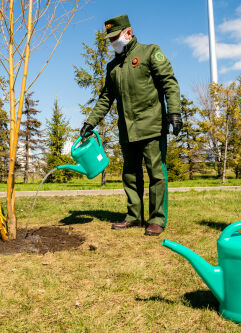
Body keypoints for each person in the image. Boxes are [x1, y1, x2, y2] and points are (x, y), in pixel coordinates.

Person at [80, 14, 182, 236]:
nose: (112, 43)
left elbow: (169, 83)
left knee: (156, 174)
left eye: (115, 37)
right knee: (131, 175)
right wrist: (90, 121)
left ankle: (157, 219)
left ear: (128, 32)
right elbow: (106, 98)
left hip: (152, 126)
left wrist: (174, 111)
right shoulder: (113, 66)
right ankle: (134, 216)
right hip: (127, 130)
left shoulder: (149, 52)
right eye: (109, 39)